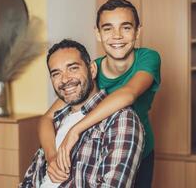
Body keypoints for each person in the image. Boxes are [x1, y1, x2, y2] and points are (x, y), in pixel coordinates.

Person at [38, 0, 161, 188]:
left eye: (126, 28)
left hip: (140, 149)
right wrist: (51, 157)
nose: (117, 35)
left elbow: (128, 94)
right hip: (103, 149)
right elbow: (47, 119)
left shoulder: (148, 58)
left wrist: (75, 130)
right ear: (98, 33)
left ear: (138, 31)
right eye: (108, 28)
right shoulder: (91, 70)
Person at [20, 39, 144, 187]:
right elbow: (30, 179)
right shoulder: (57, 120)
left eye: (73, 68)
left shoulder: (121, 120)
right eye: (56, 74)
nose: (65, 79)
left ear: (92, 70)